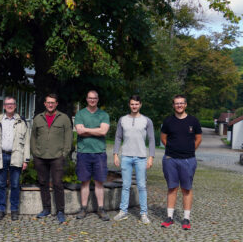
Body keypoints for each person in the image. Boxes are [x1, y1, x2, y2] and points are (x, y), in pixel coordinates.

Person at [160, 94, 202, 230]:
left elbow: (198, 139)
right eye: (176, 103)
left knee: (186, 189)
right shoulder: (168, 121)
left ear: (185, 105)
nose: (179, 105)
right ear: (173, 105)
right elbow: (163, 138)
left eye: (181, 103)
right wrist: (173, 150)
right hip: (170, 159)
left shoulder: (193, 121)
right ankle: (169, 217)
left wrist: (188, 150)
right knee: (172, 188)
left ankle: (186, 219)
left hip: (188, 160)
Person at [30, 93, 73, 224]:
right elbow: (33, 136)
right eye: (48, 102)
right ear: (44, 103)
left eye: (52, 102)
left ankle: (60, 211)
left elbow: (69, 137)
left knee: (58, 184)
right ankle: (46, 209)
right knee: (43, 182)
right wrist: (35, 152)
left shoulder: (64, 118)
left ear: (56, 104)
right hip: (40, 156)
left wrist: (64, 153)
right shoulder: (38, 118)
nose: (50, 104)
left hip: (57, 157)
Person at [113, 95, 155, 224]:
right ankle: (123, 211)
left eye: (136, 104)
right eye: (132, 104)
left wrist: (151, 157)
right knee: (125, 186)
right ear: (129, 105)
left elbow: (152, 139)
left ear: (140, 105)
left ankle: (143, 213)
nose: (134, 106)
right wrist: (115, 154)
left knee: (142, 186)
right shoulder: (123, 120)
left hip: (141, 157)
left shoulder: (146, 121)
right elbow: (118, 137)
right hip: (126, 156)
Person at [0, 96, 31, 221]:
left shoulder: (22, 121)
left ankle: (14, 210)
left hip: (16, 156)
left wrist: (25, 159)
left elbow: (27, 142)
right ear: (4, 106)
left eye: (12, 104)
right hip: (1, 156)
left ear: (15, 106)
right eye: (7, 104)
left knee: (15, 185)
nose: (10, 106)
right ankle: (1, 210)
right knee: (1, 184)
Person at [74, 90, 110, 221]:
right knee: (85, 182)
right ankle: (83, 208)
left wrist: (87, 130)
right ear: (87, 99)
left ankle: (101, 208)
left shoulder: (104, 114)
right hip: (84, 152)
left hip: (99, 152)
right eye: (90, 98)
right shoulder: (80, 114)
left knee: (99, 182)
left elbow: (103, 131)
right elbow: (79, 131)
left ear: (98, 99)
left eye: (94, 98)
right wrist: (96, 130)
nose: (92, 100)